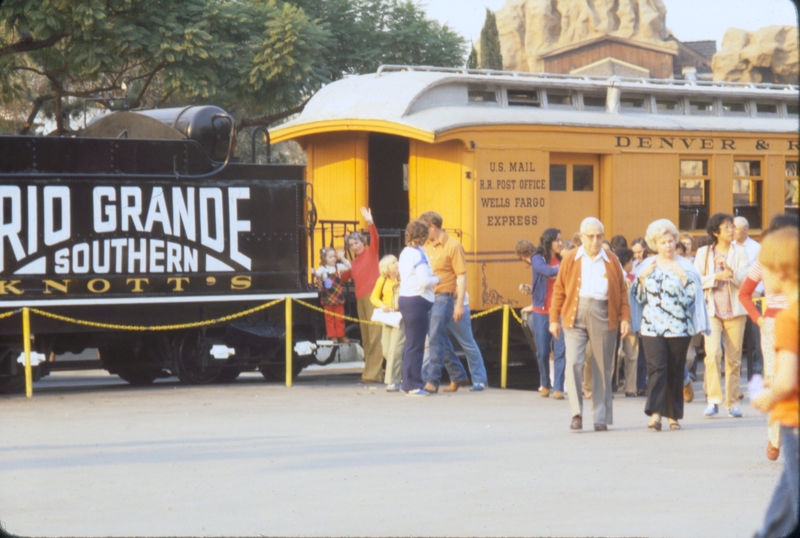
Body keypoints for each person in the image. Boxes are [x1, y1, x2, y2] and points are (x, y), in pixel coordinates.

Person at [550, 217, 631, 432]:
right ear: (581, 237)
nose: (595, 241)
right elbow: (559, 290)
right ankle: (576, 413)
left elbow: (622, 292)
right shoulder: (570, 258)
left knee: (603, 367)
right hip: (574, 315)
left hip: (603, 313)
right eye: (591, 236)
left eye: (599, 236)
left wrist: (625, 318)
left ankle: (600, 417)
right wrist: (553, 319)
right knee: (574, 362)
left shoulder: (612, 259)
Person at [630, 219, 709, 431]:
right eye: (663, 242)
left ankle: (673, 415)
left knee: (674, 370)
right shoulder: (646, 266)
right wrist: (642, 280)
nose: (668, 245)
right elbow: (637, 298)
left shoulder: (685, 266)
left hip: (678, 327)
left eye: (671, 241)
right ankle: (655, 413)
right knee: (656, 368)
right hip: (651, 327)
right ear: (655, 244)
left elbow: (691, 300)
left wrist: (683, 278)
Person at [738, 213, 799, 460]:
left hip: (789, 317)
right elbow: (745, 293)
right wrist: (759, 319)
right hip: (774, 322)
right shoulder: (765, 260)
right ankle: (775, 438)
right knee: (775, 376)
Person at [751, 227, 799, 538]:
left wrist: (763, 398)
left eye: (764, 267)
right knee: (786, 506)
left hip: (794, 419)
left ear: (780, 270)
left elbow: (785, 380)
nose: (761, 275)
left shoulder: (788, 318)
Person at [694, 213, 750, 418]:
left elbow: (746, 280)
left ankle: (732, 402)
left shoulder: (741, 252)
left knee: (734, 359)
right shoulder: (704, 253)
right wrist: (715, 276)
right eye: (727, 227)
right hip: (712, 311)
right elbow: (696, 279)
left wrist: (731, 272)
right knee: (713, 354)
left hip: (735, 311)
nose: (731, 230)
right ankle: (713, 400)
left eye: (732, 227)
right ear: (716, 232)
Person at [418, 211, 475, 393]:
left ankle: (432, 380)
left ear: (432, 227)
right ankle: (458, 375)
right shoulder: (425, 246)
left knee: (434, 336)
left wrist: (459, 305)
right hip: (427, 295)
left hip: (444, 296)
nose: (422, 234)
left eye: (424, 229)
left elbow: (462, 275)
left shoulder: (453, 245)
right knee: (439, 337)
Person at [516, 230, 566, 399]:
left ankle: (558, 387)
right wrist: (564, 266)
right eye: (557, 240)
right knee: (543, 351)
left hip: (560, 310)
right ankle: (545, 383)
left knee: (560, 350)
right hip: (541, 310)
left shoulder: (562, 258)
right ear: (548, 242)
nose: (560, 243)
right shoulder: (538, 258)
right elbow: (547, 271)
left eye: (561, 240)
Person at [397, 221, 439, 396]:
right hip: (417, 300)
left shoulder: (405, 252)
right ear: (422, 236)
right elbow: (424, 281)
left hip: (406, 299)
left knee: (411, 343)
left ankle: (406, 381)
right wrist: (438, 279)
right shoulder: (418, 255)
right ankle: (412, 385)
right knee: (416, 345)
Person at [347, 207, 384, 383]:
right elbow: (341, 278)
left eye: (357, 243)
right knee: (367, 338)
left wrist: (370, 222)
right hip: (360, 300)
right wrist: (323, 276)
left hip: (372, 297)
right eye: (351, 245)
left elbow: (375, 238)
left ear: (363, 242)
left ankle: (372, 374)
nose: (354, 247)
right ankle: (375, 373)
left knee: (376, 336)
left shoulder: (372, 253)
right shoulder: (353, 263)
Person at [734, 216, 764, 381]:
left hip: (752, 296)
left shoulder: (756, 248)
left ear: (745, 230)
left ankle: (755, 374)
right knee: (735, 339)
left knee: (754, 338)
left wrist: (758, 291)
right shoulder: (730, 247)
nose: (732, 231)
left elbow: (762, 271)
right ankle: (735, 375)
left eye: (735, 228)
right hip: (733, 296)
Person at [370, 255, 405, 392]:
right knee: (386, 350)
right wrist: (382, 305)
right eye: (393, 262)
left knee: (395, 349)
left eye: (397, 261)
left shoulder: (404, 278)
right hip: (388, 317)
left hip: (401, 316)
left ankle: (393, 381)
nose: (397, 264)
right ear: (386, 267)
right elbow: (373, 297)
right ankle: (401, 376)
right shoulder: (382, 280)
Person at [615, 247, 639, 397]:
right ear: (626, 262)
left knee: (624, 354)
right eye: (632, 261)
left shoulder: (632, 277)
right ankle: (627, 386)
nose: (633, 264)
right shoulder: (621, 277)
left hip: (626, 318)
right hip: (623, 318)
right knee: (627, 354)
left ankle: (625, 386)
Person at [315, 247, 351, 343]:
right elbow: (317, 275)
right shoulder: (323, 268)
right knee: (329, 318)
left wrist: (342, 258)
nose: (333, 258)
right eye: (330, 257)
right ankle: (332, 336)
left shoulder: (338, 267)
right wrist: (315, 273)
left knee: (340, 317)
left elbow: (349, 267)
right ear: (324, 258)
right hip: (327, 297)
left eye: (334, 256)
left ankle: (341, 335)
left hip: (338, 296)